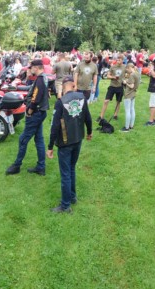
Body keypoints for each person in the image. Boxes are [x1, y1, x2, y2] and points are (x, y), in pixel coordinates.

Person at [46, 76, 93, 213]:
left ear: (63, 86)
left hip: (65, 143)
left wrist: (50, 147)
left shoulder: (60, 102)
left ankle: (65, 205)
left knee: (66, 173)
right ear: (73, 85)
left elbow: (54, 126)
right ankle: (72, 197)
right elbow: (88, 117)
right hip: (78, 139)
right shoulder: (82, 98)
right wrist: (89, 132)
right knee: (71, 168)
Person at [6, 60, 49, 176]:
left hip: (35, 113)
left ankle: (17, 165)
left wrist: (30, 111)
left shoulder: (40, 79)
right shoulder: (44, 77)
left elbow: (36, 98)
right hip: (41, 112)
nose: (30, 69)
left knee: (23, 139)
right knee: (39, 139)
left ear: (36, 67)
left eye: (31, 67)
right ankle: (41, 167)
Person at [120, 63, 140, 132]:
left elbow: (131, 86)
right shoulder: (137, 73)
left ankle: (126, 128)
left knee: (127, 111)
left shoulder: (132, 75)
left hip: (128, 94)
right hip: (133, 93)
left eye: (127, 69)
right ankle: (131, 125)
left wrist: (125, 82)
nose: (127, 71)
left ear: (129, 68)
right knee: (132, 109)